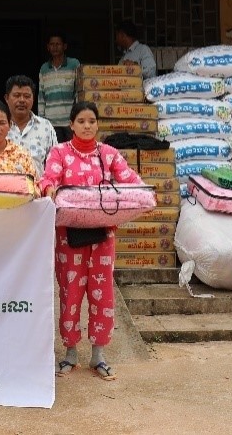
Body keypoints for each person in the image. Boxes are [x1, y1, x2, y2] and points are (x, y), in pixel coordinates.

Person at [39, 101, 142, 383]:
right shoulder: (59, 152)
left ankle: (98, 355)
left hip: (103, 237)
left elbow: (131, 181)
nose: (87, 126)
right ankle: (70, 352)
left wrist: (140, 196)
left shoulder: (109, 155)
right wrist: (49, 188)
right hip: (68, 237)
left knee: (102, 294)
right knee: (70, 293)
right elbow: (48, 179)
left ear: (97, 125)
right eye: (81, 121)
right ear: (71, 124)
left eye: (92, 121)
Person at [2, 75, 59, 178]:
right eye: (16, 95)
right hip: (1, 191)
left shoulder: (45, 127)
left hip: (37, 191)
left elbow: (55, 165)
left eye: (27, 96)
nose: (22, 100)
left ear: (33, 98)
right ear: (6, 98)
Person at [38, 32, 80, 142]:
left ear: (64, 46)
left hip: (70, 122)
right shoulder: (44, 68)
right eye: (52, 44)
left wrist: (78, 116)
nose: (55, 47)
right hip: (51, 122)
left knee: (72, 153)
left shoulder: (74, 64)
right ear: (48, 47)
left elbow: (79, 92)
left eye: (58, 44)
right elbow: (41, 97)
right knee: (56, 154)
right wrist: (42, 121)